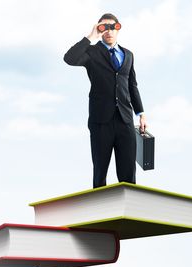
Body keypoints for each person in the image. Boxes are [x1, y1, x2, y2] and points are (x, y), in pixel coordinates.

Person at [64, 12, 148, 188]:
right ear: (99, 29)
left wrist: (141, 113)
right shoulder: (91, 53)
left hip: (125, 120)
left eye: (112, 27)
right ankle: (100, 212)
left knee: (128, 174)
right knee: (100, 172)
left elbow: (132, 86)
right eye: (104, 27)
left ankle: (127, 213)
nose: (108, 31)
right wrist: (90, 37)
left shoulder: (129, 55)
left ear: (118, 28)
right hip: (100, 121)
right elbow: (69, 58)